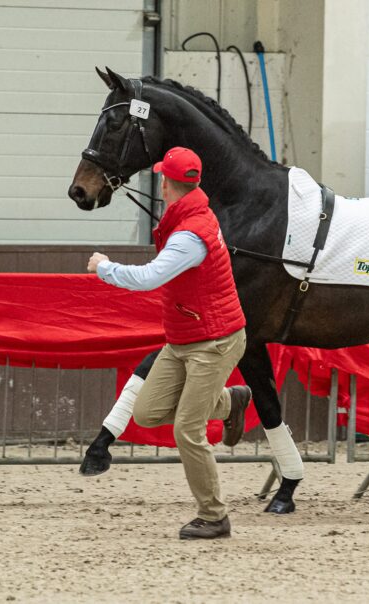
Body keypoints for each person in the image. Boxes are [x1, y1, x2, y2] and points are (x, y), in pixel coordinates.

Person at [87, 146, 251, 540]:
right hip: (184, 337)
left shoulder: (190, 235)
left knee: (187, 430)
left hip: (212, 341)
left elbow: (148, 277)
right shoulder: (191, 217)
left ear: (165, 183)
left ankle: (213, 516)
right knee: (146, 412)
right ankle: (229, 403)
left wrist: (104, 268)